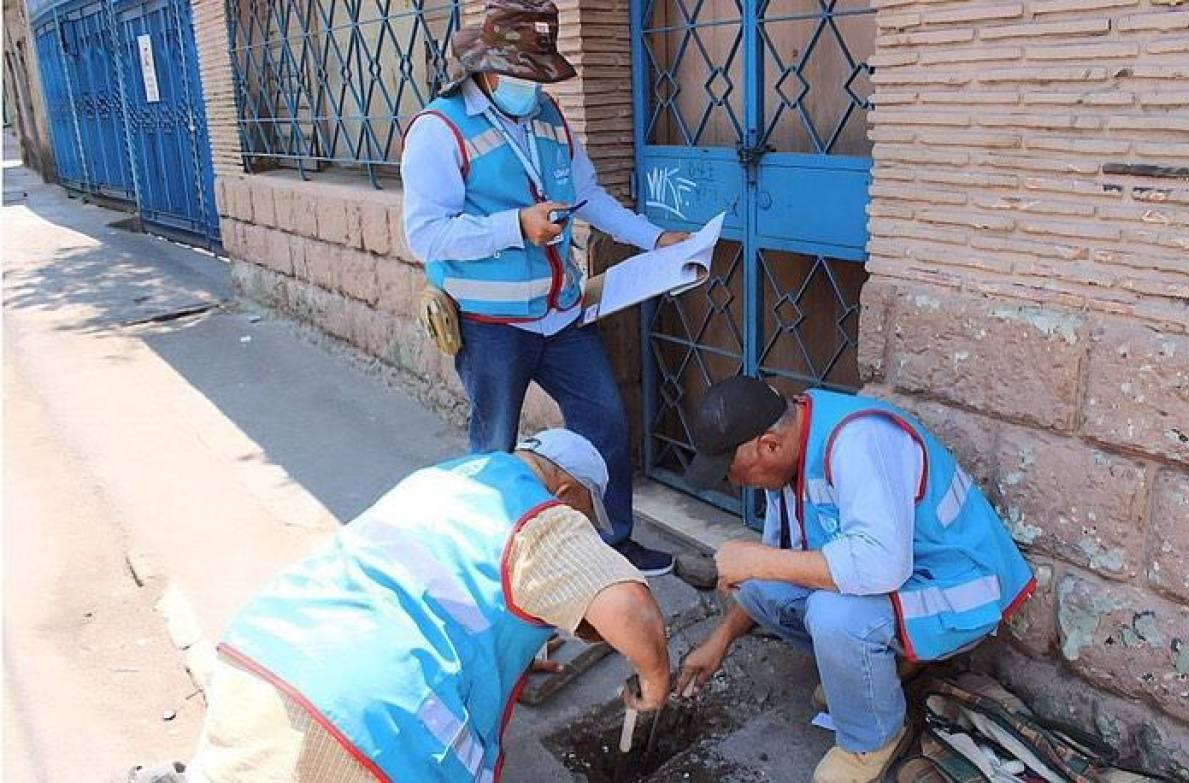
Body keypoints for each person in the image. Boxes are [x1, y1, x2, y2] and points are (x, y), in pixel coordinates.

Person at [121, 430, 670, 782]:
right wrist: (653, 679)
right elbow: (632, 610)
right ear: (567, 492)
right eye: (588, 518)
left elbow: (436, 585)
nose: (585, 530)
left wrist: (511, 656)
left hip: (263, 655)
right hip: (362, 722)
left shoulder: (447, 479)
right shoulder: (541, 515)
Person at [401, 0, 688, 576]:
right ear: (486, 68)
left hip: (561, 316)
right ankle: (497, 564)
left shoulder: (549, 115)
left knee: (605, 423)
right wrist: (515, 226)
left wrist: (655, 239)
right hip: (490, 326)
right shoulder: (439, 130)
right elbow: (425, 235)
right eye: (522, 74)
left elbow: (588, 197)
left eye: (538, 74)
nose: (531, 86)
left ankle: (613, 544)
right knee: (495, 448)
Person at [673, 377, 1036, 783]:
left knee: (834, 615)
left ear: (769, 445)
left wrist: (760, 559)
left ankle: (874, 739)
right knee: (756, 586)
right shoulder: (786, 460)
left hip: (963, 589)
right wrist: (719, 640)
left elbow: (882, 565)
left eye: (732, 472)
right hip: (907, 585)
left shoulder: (858, 441)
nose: (735, 483)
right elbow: (781, 564)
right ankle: (872, 677)